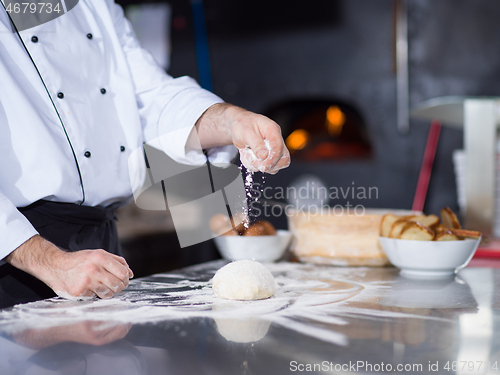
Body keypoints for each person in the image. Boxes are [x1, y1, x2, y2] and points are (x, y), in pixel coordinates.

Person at [0, 0, 290, 307]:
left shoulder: (94, 6)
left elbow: (152, 97)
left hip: (101, 251)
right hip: (16, 260)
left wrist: (231, 121)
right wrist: (48, 261)